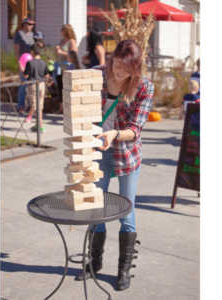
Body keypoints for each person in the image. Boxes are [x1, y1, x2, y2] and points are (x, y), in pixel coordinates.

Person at [75, 40, 154, 291]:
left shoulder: (143, 87)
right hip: (97, 152)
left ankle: (123, 270)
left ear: (136, 68)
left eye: (126, 69)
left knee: (125, 211)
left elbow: (135, 129)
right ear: (112, 58)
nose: (119, 72)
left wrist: (114, 135)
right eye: (117, 64)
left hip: (126, 154)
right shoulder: (96, 75)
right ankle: (94, 263)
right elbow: (78, 106)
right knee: (96, 207)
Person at [23, 44, 50, 133]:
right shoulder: (43, 62)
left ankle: (40, 126)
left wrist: (23, 69)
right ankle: (38, 125)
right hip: (42, 84)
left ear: (32, 52)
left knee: (35, 106)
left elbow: (26, 75)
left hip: (33, 84)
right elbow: (47, 75)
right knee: (40, 106)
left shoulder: (29, 63)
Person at [55, 24, 78, 113]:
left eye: (62, 30)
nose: (61, 32)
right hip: (60, 67)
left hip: (68, 67)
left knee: (67, 87)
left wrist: (61, 52)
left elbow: (73, 55)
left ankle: (68, 108)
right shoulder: (62, 41)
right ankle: (61, 108)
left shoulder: (72, 41)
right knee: (60, 87)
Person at [14, 18, 35, 114]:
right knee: (23, 84)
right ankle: (20, 106)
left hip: (32, 62)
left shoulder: (32, 35)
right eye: (29, 24)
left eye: (32, 24)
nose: (31, 26)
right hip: (23, 62)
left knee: (31, 85)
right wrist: (19, 64)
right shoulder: (19, 34)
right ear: (24, 24)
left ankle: (31, 106)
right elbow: (16, 51)